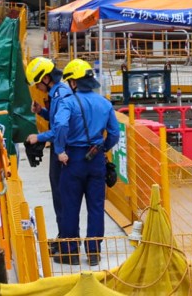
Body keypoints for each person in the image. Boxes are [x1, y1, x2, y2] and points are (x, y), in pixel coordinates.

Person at [51, 58, 119, 266]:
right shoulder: (105, 103)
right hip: (96, 159)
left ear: (73, 82)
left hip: (73, 160)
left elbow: (61, 126)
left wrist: (60, 150)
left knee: (70, 206)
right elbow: (114, 133)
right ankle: (94, 252)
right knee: (96, 207)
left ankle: (71, 253)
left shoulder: (68, 102)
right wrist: (103, 148)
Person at [23, 56, 72, 239]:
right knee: (59, 197)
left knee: (62, 197)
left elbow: (60, 128)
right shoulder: (56, 93)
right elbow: (55, 119)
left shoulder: (61, 95)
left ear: (45, 78)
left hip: (63, 151)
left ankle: (67, 241)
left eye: (37, 83)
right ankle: (63, 237)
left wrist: (39, 137)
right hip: (60, 150)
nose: (37, 88)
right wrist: (41, 112)